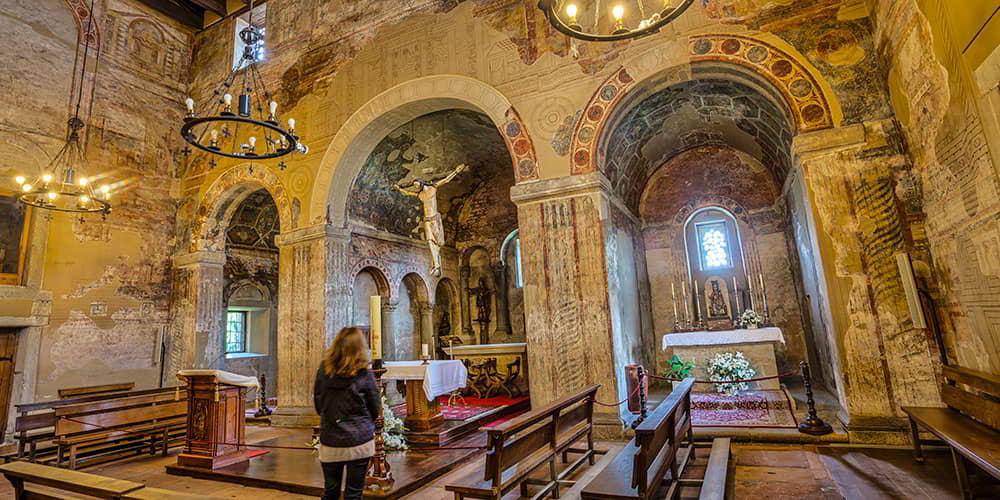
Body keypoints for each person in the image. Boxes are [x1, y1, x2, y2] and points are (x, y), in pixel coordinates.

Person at [314, 327, 380, 500]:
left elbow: (318, 404)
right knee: (354, 493)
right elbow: (375, 408)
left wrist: (333, 419)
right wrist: (363, 424)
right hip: (359, 440)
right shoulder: (364, 374)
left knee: (330, 492)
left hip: (331, 439)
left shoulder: (324, 370)